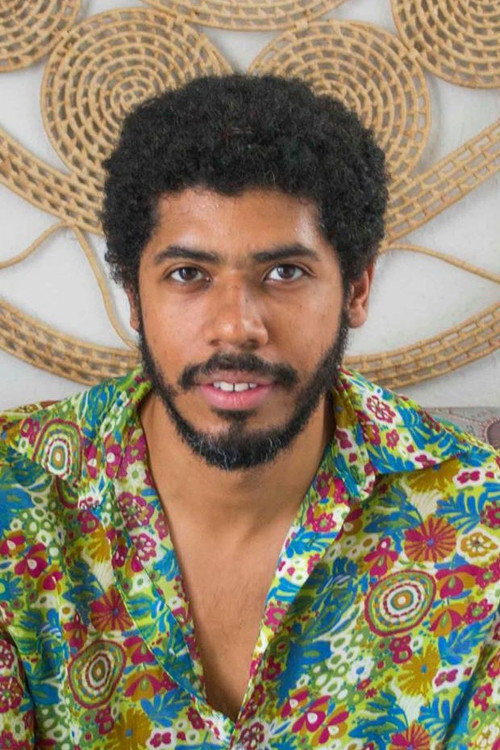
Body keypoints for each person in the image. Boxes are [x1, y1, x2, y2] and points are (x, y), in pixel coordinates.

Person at [0, 74, 498, 750]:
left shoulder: (480, 524)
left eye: (284, 273)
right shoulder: (17, 493)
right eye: (188, 274)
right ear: (134, 298)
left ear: (356, 290)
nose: (236, 327)